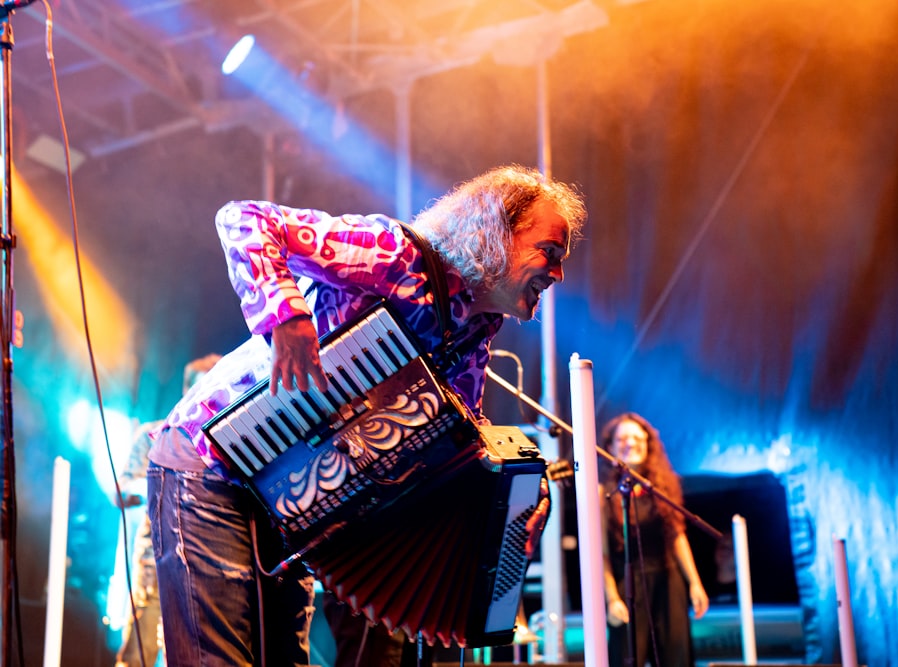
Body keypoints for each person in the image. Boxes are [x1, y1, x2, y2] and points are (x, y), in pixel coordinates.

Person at [146, 164, 587, 667]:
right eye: (549, 253)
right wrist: (285, 316)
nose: (558, 274)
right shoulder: (394, 256)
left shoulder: (475, 330)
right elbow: (245, 220)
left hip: (294, 503)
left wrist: (523, 495)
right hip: (209, 465)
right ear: (496, 232)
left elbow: (463, 445)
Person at [114, 354, 221, 667]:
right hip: (155, 565)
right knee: (138, 656)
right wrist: (161, 483)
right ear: (188, 390)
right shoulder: (154, 434)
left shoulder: (222, 439)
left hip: (209, 567)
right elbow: (122, 490)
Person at [599, 412, 709, 667]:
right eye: (623, 438)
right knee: (627, 657)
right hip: (628, 584)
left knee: (676, 656)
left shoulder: (663, 487)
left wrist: (694, 582)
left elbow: (677, 536)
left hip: (668, 579)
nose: (631, 443)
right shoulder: (603, 494)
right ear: (610, 447)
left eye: (638, 437)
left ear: (649, 445)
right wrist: (612, 597)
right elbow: (601, 553)